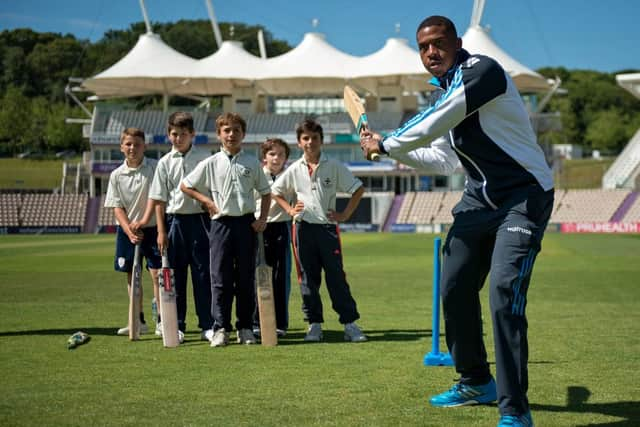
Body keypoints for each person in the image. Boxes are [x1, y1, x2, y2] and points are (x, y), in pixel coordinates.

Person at [360, 15, 554, 427]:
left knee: (504, 293)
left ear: (457, 42)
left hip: (524, 196)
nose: (432, 52)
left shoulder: (481, 71)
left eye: (439, 43)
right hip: (478, 200)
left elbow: (434, 122)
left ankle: (515, 411)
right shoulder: (447, 94)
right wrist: (390, 152)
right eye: (424, 47)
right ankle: (475, 380)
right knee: (453, 285)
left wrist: (386, 141)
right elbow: (445, 158)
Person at [271, 118, 367, 343]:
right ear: (298, 143)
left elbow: (358, 189)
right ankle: (314, 325)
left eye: (314, 138)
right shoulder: (294, 169)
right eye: (306, 138)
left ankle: (350, 324)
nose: (310, 142)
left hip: (327, 230)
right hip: (302, 230)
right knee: (307, 279)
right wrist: (290, 210)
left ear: (321, 141)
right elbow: (275, 192)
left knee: (336, 278)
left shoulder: (333, 166)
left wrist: (344, 215)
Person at [180, 112, 271, 348]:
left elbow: (266, 192)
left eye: (236, 130)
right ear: (219, 134)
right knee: (220, 278)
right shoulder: (210, 163)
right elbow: (186, 186)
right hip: (220, 225)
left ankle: (245, 328)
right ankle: (220, 328)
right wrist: (207, 202)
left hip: (246, 223)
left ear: (243, 134)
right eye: (227, 130)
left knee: (245, 278)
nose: (232, 134)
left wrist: (262, 218)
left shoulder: (251, 163)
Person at [132, 111, 214, 343]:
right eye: (174, 134)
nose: (178, 139)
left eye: (183, 134)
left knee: (202, 275)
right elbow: (159, 200)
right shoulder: (164, 163)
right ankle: (176, 325)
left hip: (200, 221)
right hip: (174, 222)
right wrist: (160, 231)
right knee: (175, 277)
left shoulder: (204, 157)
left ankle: (207, 325)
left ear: (193, 135)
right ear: (169, 134)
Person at [104, 127, 161, 336]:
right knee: (131, 274)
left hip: (152, 228)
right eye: (128, 144)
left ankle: (161, 321)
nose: (132, 148)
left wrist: (143, 222)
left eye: (137, 144)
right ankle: (138, 320)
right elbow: (116, 207)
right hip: (127, 231)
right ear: (121, 147)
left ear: (144, 146)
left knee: (156, 275)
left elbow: (157, 199)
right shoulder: (116, 175)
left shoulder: (154, 167)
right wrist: (129, 230)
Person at [252, 138, 293, 338]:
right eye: (272, 154)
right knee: (257, 277)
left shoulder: (290, 176)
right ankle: (255, 322)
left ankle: (280, 323)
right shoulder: (257, 175)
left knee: (281, 277)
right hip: (259, 229)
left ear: (286, 157)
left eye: (281, 154)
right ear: (264, 156)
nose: (276, 158)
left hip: (281, 229)